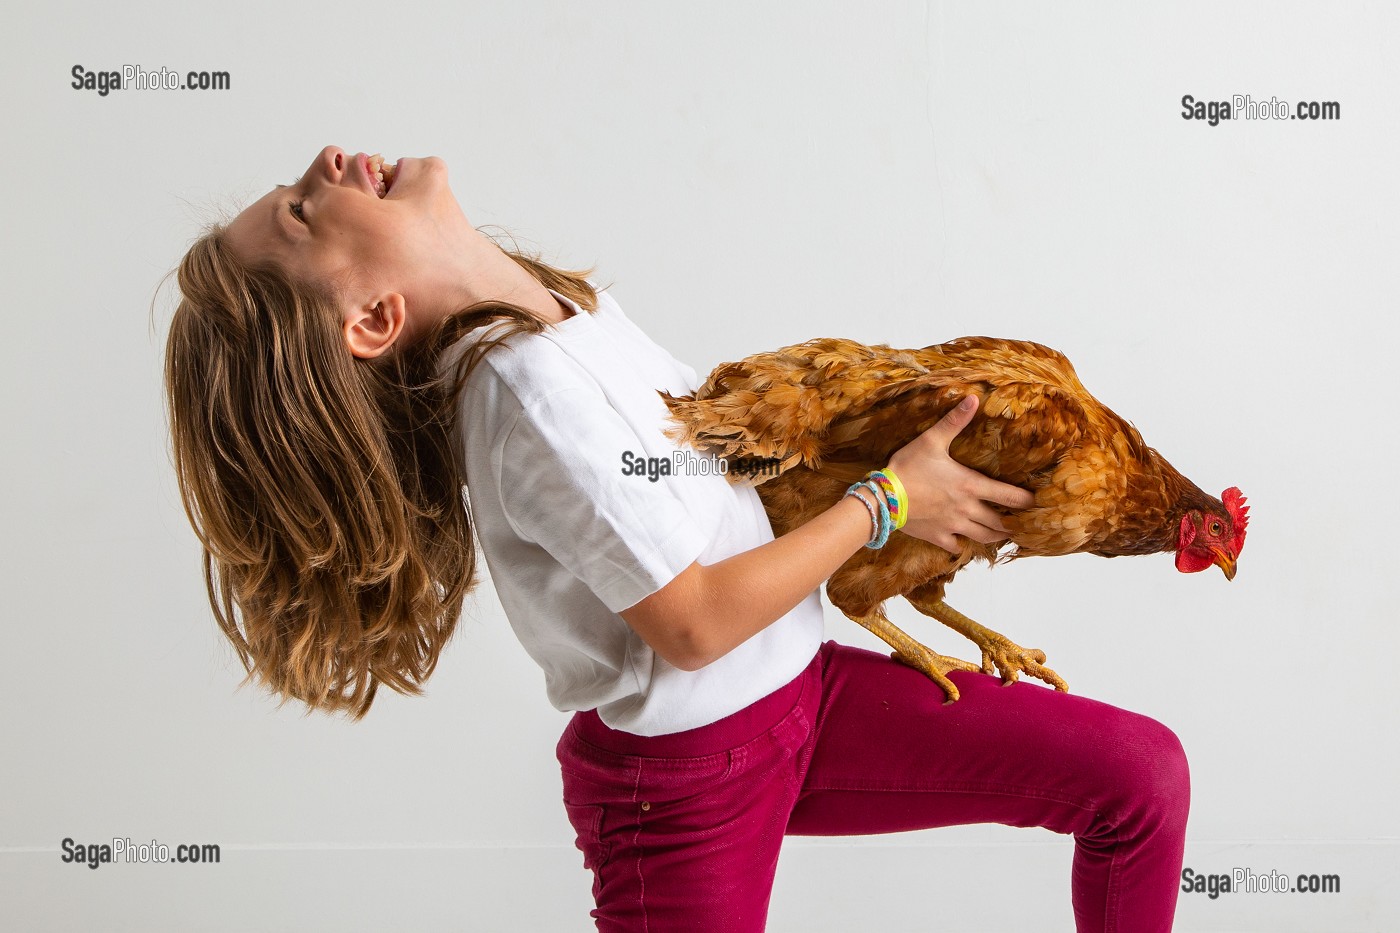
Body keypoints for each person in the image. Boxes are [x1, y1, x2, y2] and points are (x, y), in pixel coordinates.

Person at [163, 145, 1190, 931]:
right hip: (685, 785)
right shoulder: (533, 399)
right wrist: (883, 502)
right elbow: (694, 624)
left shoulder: (555, 312)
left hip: (802, 696)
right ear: (374, 319)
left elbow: (683, 483)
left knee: (1133, 778)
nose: (330, 162)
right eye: (303, 210)